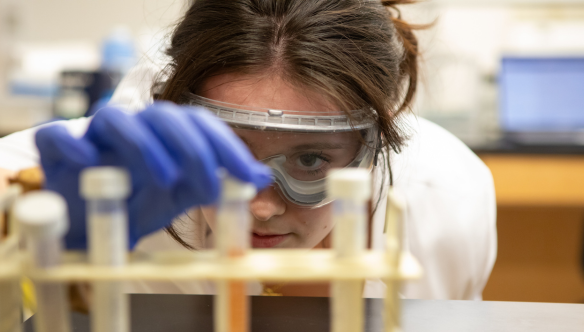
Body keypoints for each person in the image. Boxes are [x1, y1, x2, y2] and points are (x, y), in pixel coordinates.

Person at [0, 0, 496, 299]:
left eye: (310, 159)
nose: (259, 207)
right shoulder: (55, 182)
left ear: (373, 151)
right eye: (226, 151)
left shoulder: (445, 201)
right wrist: (35, 247)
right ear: (171, 105)